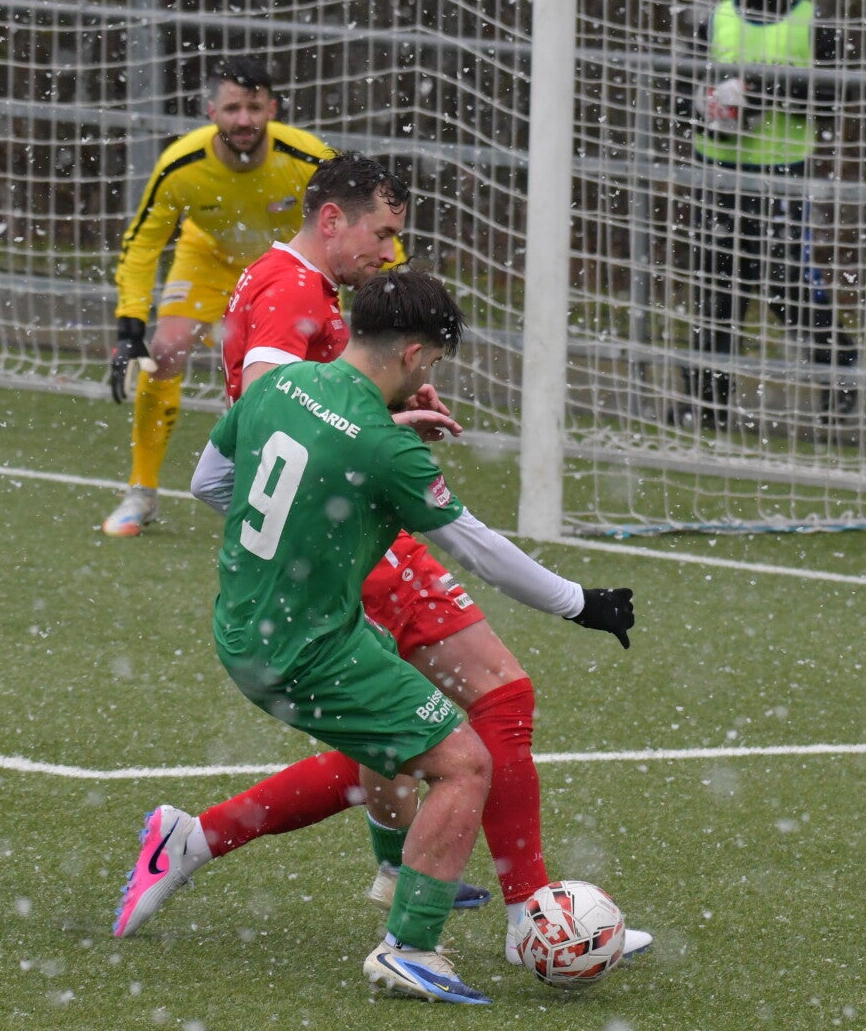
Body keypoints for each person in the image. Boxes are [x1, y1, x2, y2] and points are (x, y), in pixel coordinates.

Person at [112, 155, 648, 971]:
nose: (391, 253)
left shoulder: (293, 294)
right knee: (489, 708)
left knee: (394, 737)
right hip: (351, 537)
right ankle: (522, 917)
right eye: (385, 233)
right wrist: (580, 601)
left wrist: (374, 427)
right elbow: (310, 441)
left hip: (309, 552)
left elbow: (262, 440)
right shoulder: (297, 296)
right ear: (332, 219)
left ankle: (295, 852)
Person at [100, 55, 336, 537]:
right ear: (211, 112)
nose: (244, 120)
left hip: (285, 269)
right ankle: (142, 492)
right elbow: (143, 243)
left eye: (254, 107)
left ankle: (314, 495)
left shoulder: (309, 158)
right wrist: (129, 325)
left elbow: (356, 215)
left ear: (272, 109)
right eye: (232, 108)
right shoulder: (181, 164)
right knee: (164, 351)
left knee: (307, 379)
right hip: (208, 259)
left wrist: (391, 280)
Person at [678, 0, 858, 431]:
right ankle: (708, 401)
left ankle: (838, 367)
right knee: (717, 282)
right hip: (719, 168)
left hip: (782, 173)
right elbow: (680, 93)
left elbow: (834, 99)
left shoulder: (811, 23)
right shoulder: (716, 19)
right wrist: (712, 105)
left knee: (784, 281)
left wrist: (766, 92)